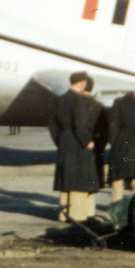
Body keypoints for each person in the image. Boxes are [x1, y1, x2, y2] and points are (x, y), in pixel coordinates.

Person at [48, 72, 100, 222]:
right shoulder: (78, 100)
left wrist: (59, 140)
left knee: (66, 178)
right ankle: (78, 215)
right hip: (78, 142)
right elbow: (80, 125)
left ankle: (63, 214)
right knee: (80, 178)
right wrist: (86, 141)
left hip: (64, 140)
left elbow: (52, 123)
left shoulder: (59, 99)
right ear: (82, 83)